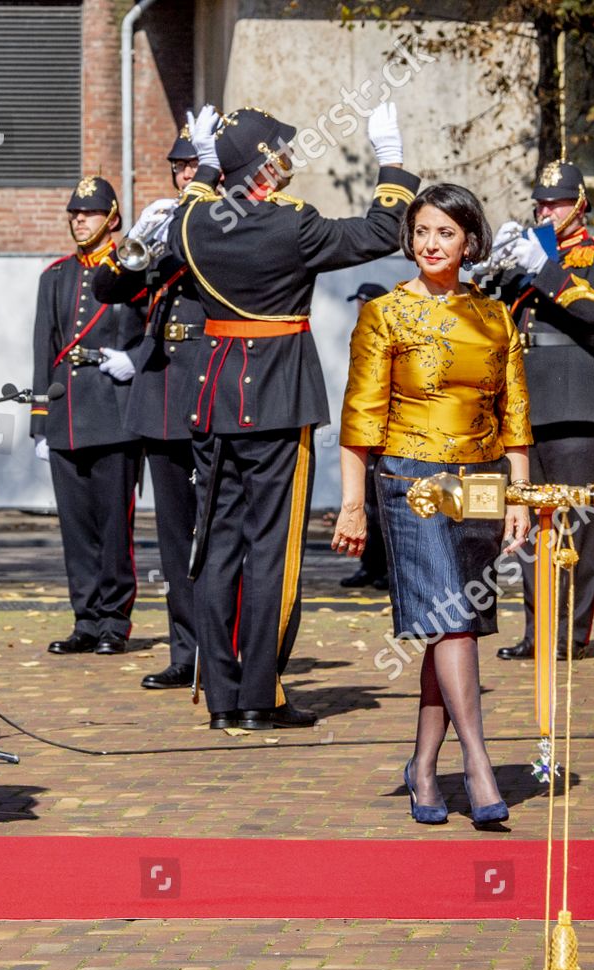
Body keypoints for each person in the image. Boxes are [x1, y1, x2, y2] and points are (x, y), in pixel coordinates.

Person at [170, 103, 417, 730]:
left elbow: (188, 210)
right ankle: (260, 693)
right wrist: (391, 158)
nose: (288, 164)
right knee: (271, 550)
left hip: (215, 393)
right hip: (278, 394)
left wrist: (204, 163)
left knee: (217, 544)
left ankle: (222, 698)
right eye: (280, 154)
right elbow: (381, 232)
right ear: (264, 165)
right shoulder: (292, 225)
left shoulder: (194, 222)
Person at [334, 183, 532, 827]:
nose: (431, 244)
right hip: (410, 479)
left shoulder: (495, 316)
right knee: (450, 618)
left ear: (469, 240)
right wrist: (353, 504)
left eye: (445, 233)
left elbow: (515, 416)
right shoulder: (385, 314)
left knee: (457, 624)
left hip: (480, 480)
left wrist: (519, 498)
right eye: (421, 231)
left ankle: (422, 768)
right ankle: (477, 761)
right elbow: (359, 420)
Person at [484, 162, 594, 661]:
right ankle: (538, 630)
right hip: (523, 405)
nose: (546, 210)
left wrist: (541, 264)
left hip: (573, 404)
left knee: (575, 524)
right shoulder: (526, 256)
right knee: (524, 524)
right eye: (541, 203)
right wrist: (495, 270)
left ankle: (571, 633)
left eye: (556, 202)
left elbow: (592, 310)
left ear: (580, 203)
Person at [90, 130, 206, 688]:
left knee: (222, 533)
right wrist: (136, 239)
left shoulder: (226, 224)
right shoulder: (164, 227)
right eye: (179, 168)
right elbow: (107, 289)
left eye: (195, 166)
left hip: (214, 398)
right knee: (175, 536)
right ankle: (186, 650)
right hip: (163, 402)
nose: (185, 176)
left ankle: (230, 648)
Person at [29, 176, 145, 656]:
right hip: (68, 414)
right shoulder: (55, 276)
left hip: (114, 413)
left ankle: (115, 622)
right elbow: (44, 349)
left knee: (115, 528)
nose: (79, 220)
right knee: (75, 529)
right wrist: (40, 421)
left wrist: (134, 359)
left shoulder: (134, 271)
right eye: (74, 213)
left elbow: (151, 331)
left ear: (112, 219)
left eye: (90, 213)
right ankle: (86, 618)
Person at [338, 282, 391, 592]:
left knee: (383, 507)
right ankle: (368, 565)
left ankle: (385, 568)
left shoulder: (383, 329)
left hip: (383, 432)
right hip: (366, 429)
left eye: (361, 302)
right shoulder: (364, 332)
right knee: (367, 506)